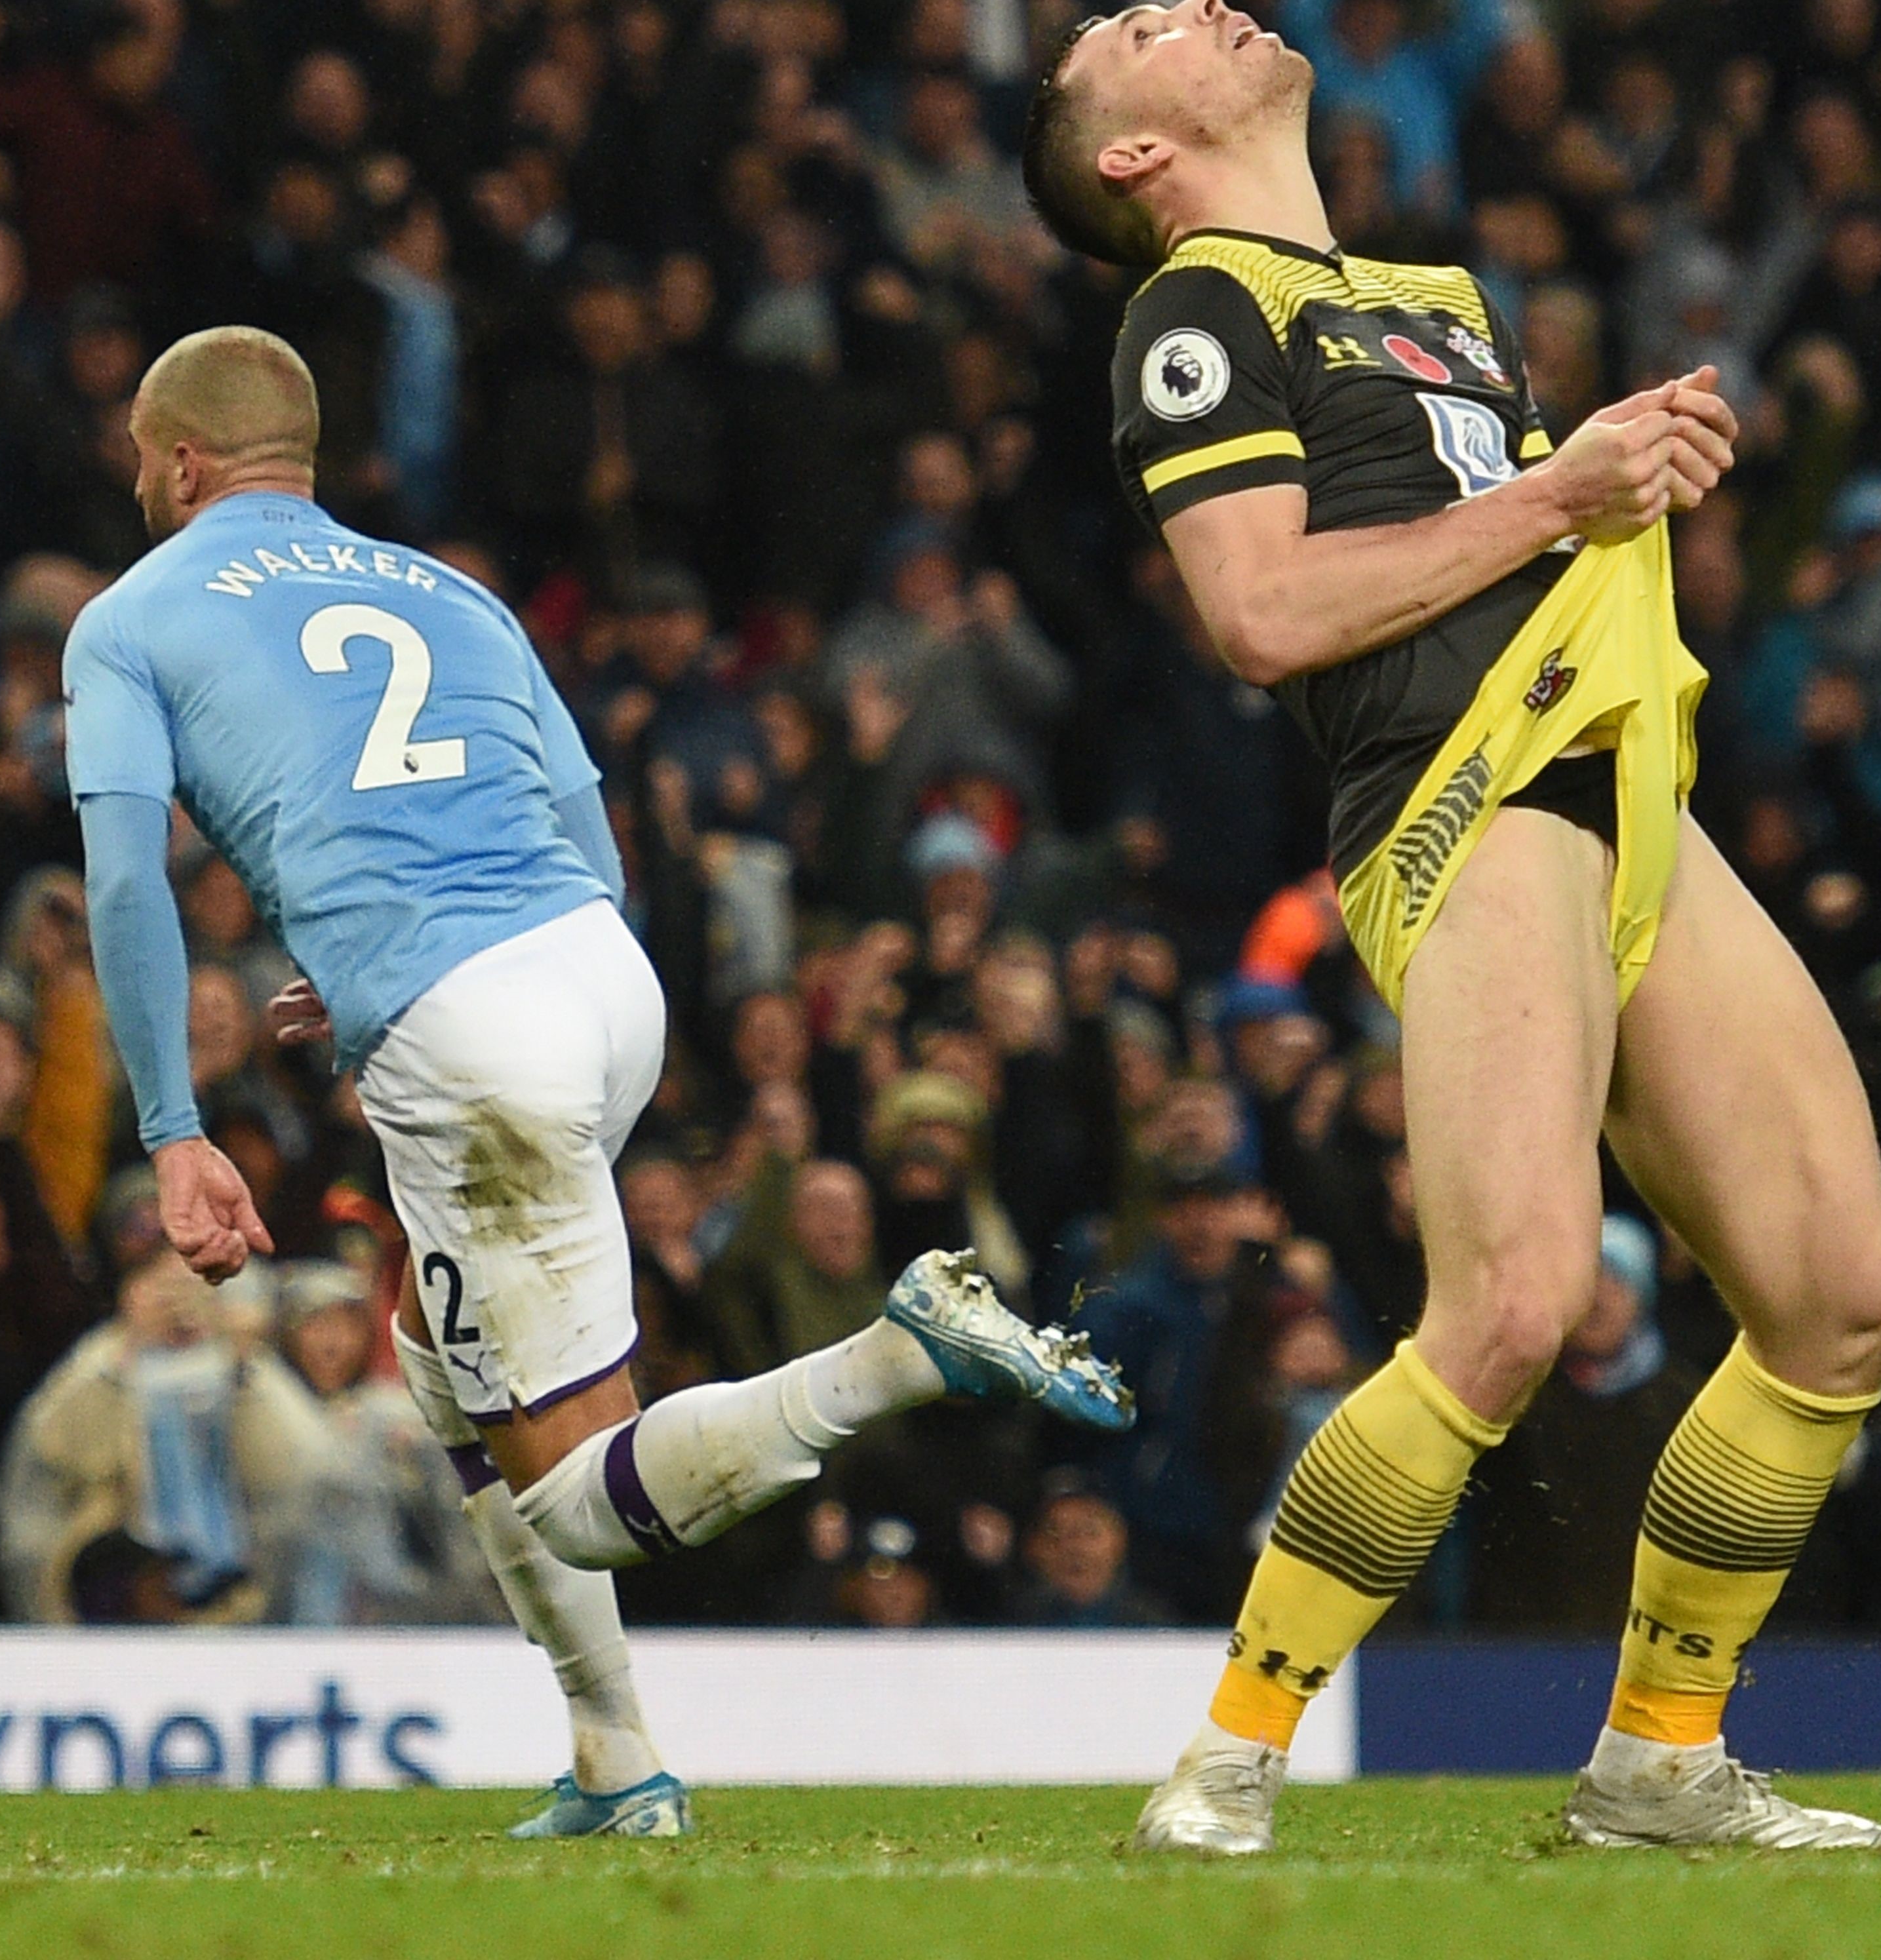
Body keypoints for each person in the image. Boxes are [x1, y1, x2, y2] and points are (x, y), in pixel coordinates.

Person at [1025, 0, 1881, 1854]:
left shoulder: (1437, 301)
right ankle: (1230, 1756)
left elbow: (1517, 532)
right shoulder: (1192, 314)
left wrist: (1617, 483)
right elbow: (1262, 615)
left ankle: (1660, 1761)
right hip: (1456, 793)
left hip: (1622, 783)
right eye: (1139, 22)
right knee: (1514, 1304)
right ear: (1135, 154)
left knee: (1841, 1310)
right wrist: (1561, 494)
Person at [61, 326, 1131, 1839]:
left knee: (574, 1494)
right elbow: (582, 826)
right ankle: (615, 1755)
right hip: (596, 971)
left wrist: (174, 1127)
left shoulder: (129, 614)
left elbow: (123, 885)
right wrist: (415, 963)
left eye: (133, 457)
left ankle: (895, 1353)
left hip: (470, 1032)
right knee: (441, 1354)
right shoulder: (454, 591)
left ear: (175, 460)